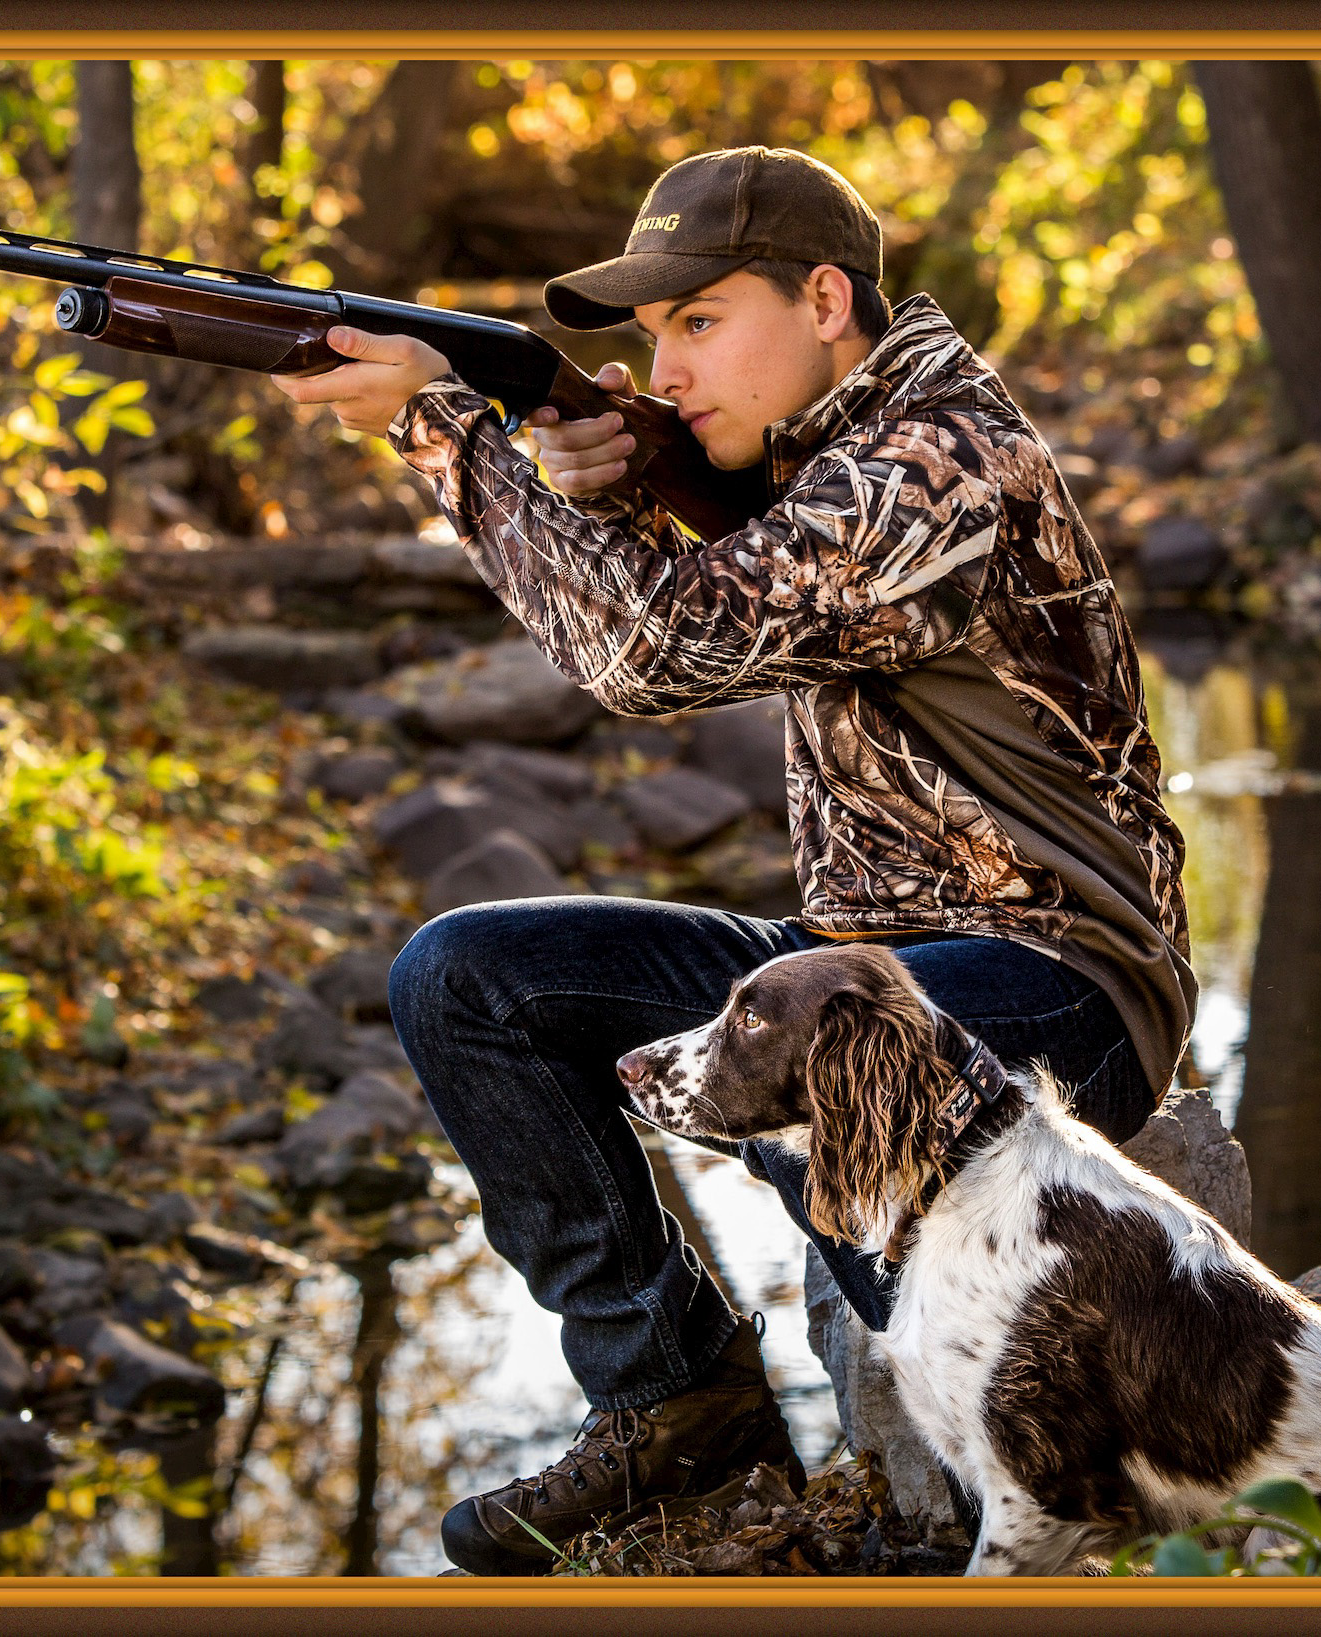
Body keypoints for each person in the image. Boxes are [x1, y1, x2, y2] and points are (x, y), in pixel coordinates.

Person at [275, 145, 1198, 1576]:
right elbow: (695, 582)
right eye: (651, 334)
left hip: (1060, 983)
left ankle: (1015, 1479)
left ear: (826, 299)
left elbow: (654, 649)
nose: (666, 362)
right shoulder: (802, 458)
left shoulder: (940, 459)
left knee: (819, 1054)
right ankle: (678, 1396)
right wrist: (607, 479)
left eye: (697, 322)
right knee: (464, 977)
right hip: (851, 966)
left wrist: (444, 427)